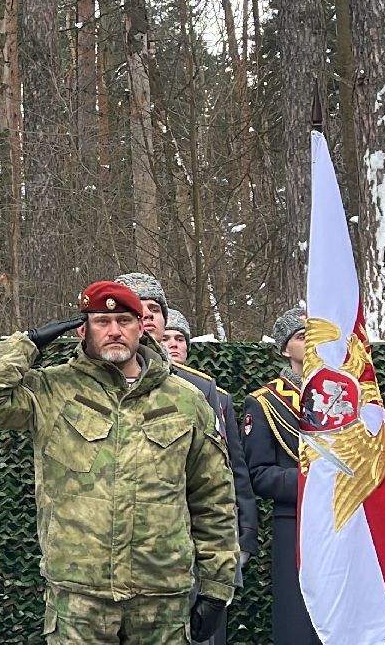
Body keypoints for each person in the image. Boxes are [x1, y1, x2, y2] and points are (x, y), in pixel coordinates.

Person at [0, 280, 237, 644]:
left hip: (161, 598)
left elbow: (213, 497)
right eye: (102, 322)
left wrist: (216, 586)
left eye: (124, 320)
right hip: (78, 598)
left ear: (141, 327)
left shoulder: (186, 401)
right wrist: (28, 342)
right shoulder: (52, 391)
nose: (115, 331)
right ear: (83, 330)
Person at [118, 275, 257, 645]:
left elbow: (220, 480)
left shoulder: (199, 390)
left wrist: (227, 560)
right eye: (136, 309)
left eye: (154, 311)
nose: (146, 319)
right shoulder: (77, 385)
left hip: (181, 560)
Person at [241, 303, 317, 645]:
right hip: (294, 522)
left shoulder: (347, 397)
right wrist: (313, 482)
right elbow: (258, 474)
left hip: (347, 520)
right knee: (298, 621)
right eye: (302, 337)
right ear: (286, 348)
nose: (311, 342)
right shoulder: (264, 402)